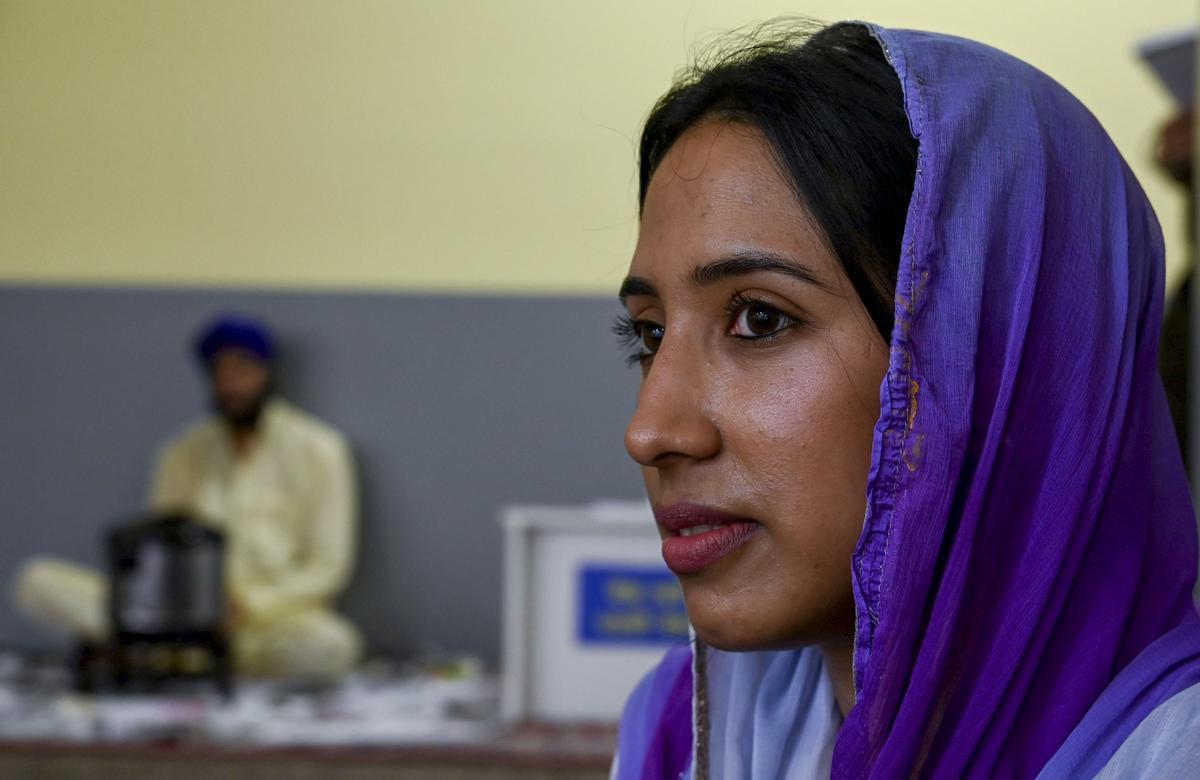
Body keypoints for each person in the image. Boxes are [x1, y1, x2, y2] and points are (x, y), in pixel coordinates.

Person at [611, 19, 1200, 779]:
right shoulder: (686, 729)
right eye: (650, 336)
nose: (652, 430)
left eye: (760, 318)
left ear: (990, 365)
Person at [15, 315, 363, 681]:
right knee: (36, 581)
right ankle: (180, 653)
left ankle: (180, 660)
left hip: (268, 619)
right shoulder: (182, 453)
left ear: (266, 372)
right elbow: (159, 545)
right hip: (178, 611)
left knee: (330, 646)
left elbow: (328, 567)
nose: (232, 385)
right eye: (220, 372)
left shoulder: (320, 451)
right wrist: (190, 605)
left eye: (243, 370)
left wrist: (248, 606)